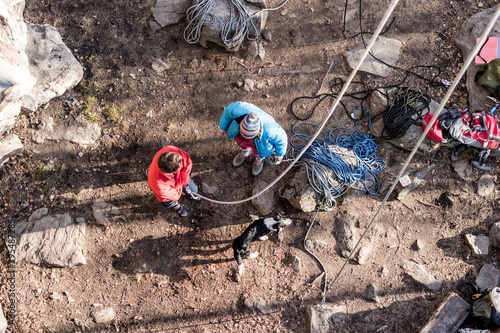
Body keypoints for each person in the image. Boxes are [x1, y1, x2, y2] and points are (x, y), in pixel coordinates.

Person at [218, 101, 288, 176]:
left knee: (259, 153)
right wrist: (222, 127)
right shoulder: (240, 109)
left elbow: (282, 139)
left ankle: (259, 161)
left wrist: (280, 154)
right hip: (241, 137)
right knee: (242, 145)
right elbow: (228, 111)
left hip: (260, 142)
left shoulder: (271, 129)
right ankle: (244, 154)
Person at [147, 146, 201, 218]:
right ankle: (176, 206)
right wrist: (180, 185)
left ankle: (190, 192)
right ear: (172, 172)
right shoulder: (158, 185)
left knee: (194, 190)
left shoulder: (171, 152)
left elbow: (188, 163)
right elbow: (175, 196)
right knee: (168, 202)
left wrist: (183, 181)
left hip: (177, 182)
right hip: (167, 193)